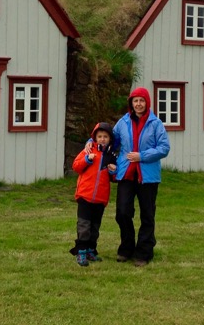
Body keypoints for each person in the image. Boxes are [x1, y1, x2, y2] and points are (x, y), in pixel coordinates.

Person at [112, 87, 169, 267]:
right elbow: (108, 141)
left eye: (141, 101)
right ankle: (126, 248)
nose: (138, 104)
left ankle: (143, 253)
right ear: (131, 103)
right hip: (126, 174)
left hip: (148, 177)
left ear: (147, 103)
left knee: (147, 215)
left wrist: (142, 156)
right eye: (135, 100)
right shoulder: (122, 122)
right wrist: (91, 143)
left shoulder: (156, 124)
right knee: (122, 212)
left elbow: (164, 148)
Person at [70, 122, 118, 267]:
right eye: (99, 136)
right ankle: (81, 252)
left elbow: (115, 178)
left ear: (110, 139)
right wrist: (86, 160)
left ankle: (91, 250)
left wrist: (113, 171)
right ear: (94, 138)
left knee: (95, 227)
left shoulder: (111, 156)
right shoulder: (88, 151)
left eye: (105, 136)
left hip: (100, 198)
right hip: (85, 195)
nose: (102, 139)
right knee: (84, 226)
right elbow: (76, 166)